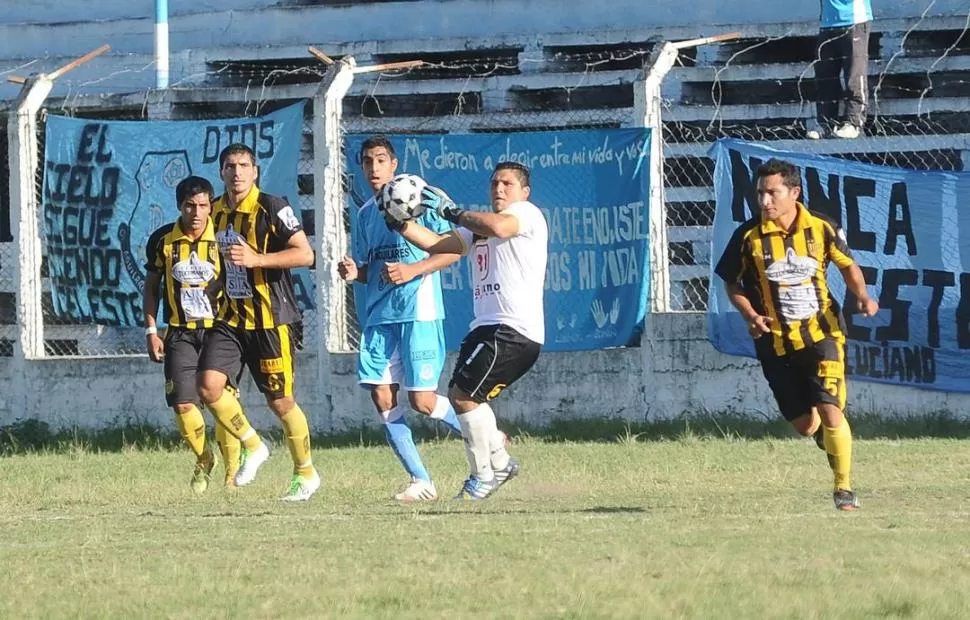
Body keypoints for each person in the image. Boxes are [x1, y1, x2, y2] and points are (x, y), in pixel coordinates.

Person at [713, 158, 879, 511]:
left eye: (772, 193)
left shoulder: (821, 227)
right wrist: (751, 314)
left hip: (823, 334)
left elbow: (848, 266)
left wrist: (862, 296)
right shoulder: (747, 236)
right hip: (774, 342)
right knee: (806, 425)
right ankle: (823, 437)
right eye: (760, 194)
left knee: (831, 408)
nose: (764, 201)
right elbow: (732, 282)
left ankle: (844, 489)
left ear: (794, 193)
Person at [387, 161, 547, 500]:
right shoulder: (478, 228)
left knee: (463, 396)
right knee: (468, 396)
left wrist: (454, 212)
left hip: (513, 330)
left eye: (507, 184)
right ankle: (500, 462)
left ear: (524, 192)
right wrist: (400, 223)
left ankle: (482, 477)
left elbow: (501, 228)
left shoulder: (526, 214)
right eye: (494, 184)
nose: (499, 189)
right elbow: (436, 245)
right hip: (486, 327)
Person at [338, 135, 469, 502]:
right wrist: (354, 272)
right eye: (367, 162)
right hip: (380, 317)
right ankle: (421, 480)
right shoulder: (365, 213)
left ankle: (488, 438)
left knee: (423, 402)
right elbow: (372, 268)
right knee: (382, 397)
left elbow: (455, 250)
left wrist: (414, 269)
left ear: (394, 165)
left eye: (381, 160)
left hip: (419, 311)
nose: (374, 168)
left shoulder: (420, 198)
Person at [197, 143, 320, 502]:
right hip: (230, 319)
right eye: (230, 166)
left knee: (281, 402)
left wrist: (257, 259)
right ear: (221, 172)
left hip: (270, 320)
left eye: (244, 165)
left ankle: (306, 473)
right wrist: (215, 286)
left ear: (255, 172)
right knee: (208, 387)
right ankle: (254, 443)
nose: (237, 172)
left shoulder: (272, 206)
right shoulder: (215, 212)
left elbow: (305, 253)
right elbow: (224, 262)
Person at [143, 175, 241, 493]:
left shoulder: (226, 238)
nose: (197, 212)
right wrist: (151, 330)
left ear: (210, 206)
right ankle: (204, 458)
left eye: (202, 205)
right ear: (179, 206)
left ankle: (232, 472)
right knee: (183, 404)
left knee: (221, 402)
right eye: (190, 205)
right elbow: (152, 287)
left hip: (220, 332)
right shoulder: (163, 241)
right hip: (180, 333)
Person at [807, 0, 873, 139]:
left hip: (854, 21)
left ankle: (854, 122)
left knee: (854, 75)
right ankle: (826, 123)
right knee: (825, 77)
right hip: (827, 24)